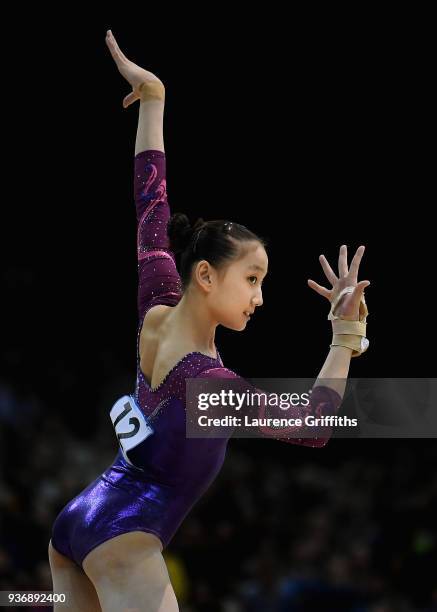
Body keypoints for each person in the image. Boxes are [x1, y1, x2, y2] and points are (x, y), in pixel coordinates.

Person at [47, 30, 371, 612]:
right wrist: (344, 336)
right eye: (252, 278)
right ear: (205, 276)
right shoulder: (209, 387)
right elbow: (316, 424)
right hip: (125, 540)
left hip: (78, 527)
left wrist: (153, 101)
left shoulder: (157, 303)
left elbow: (151, 202)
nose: (260, 297)